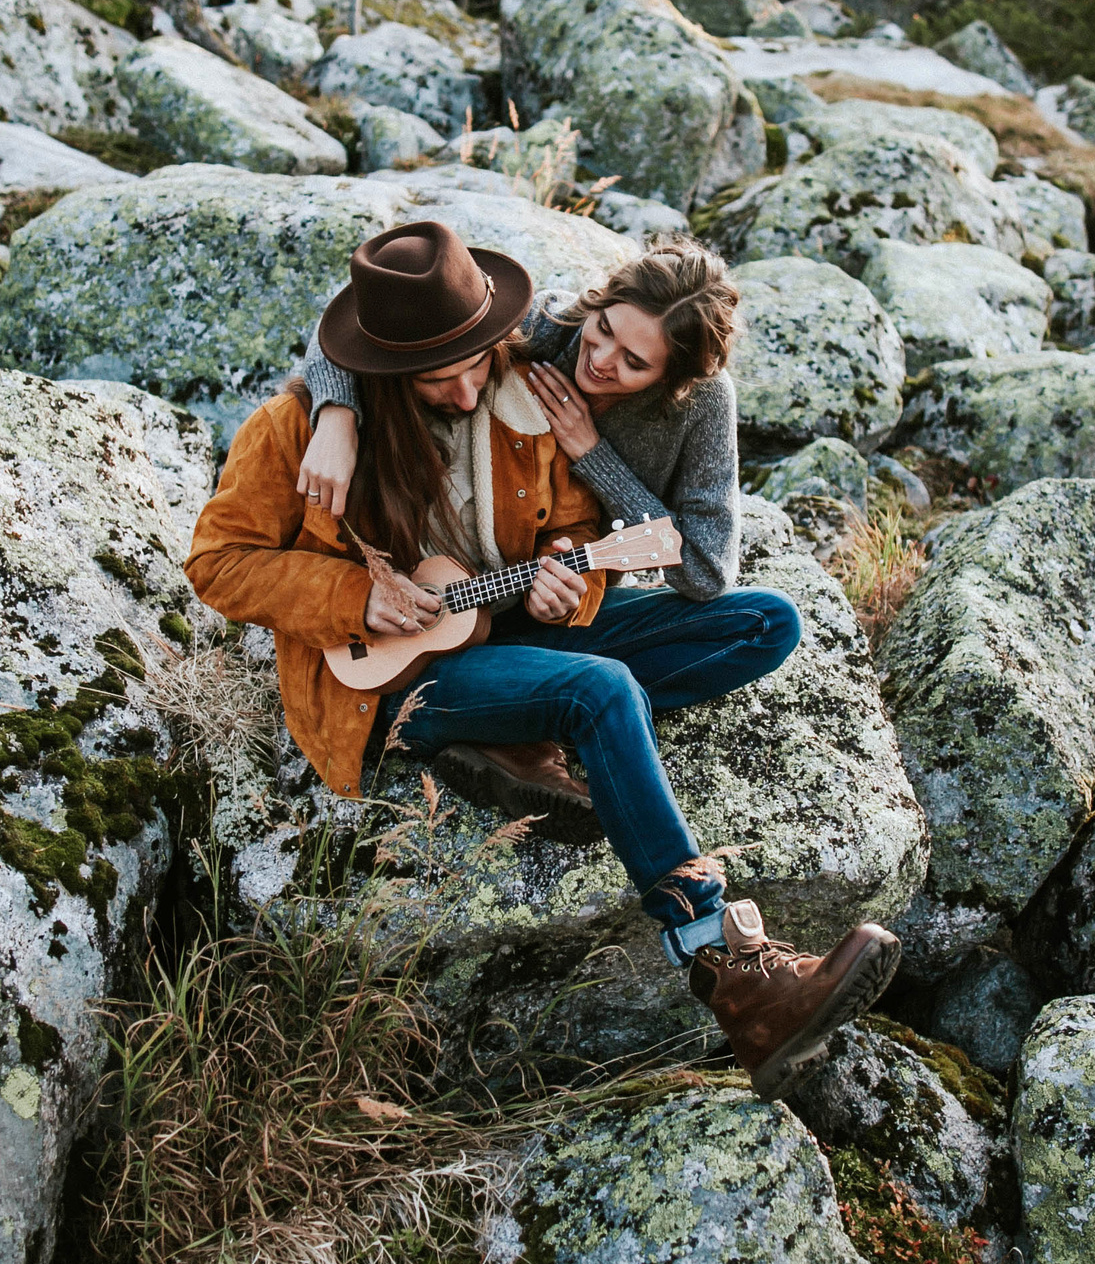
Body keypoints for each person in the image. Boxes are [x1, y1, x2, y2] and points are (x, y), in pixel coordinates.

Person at [185, 221, 900, 1098]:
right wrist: (351, 597)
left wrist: (571, 585)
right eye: (436, 376)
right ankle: (732, 974)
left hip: (507, 629)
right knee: (604, 690)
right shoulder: (295, 428)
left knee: (760, 625)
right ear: (379, 366)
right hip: (392, 680)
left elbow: (575, 528)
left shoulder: (520, 388)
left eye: (475, 363)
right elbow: (214, 563)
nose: (464, 388)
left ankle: (543, 718)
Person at [293, 241, 747, 822]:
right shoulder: (548, 322)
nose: (602, 359)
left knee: (766, 623)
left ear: (676, 376)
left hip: (560, 598)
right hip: (461, 587)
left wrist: (594, 455)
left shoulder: (703, 404)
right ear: (600, 302)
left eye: (635, 363)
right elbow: (363, 316)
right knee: (602, 686)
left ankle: (520, 711)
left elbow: (708, 571)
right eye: (604, 327)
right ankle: (534, 707)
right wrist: (337, 416)